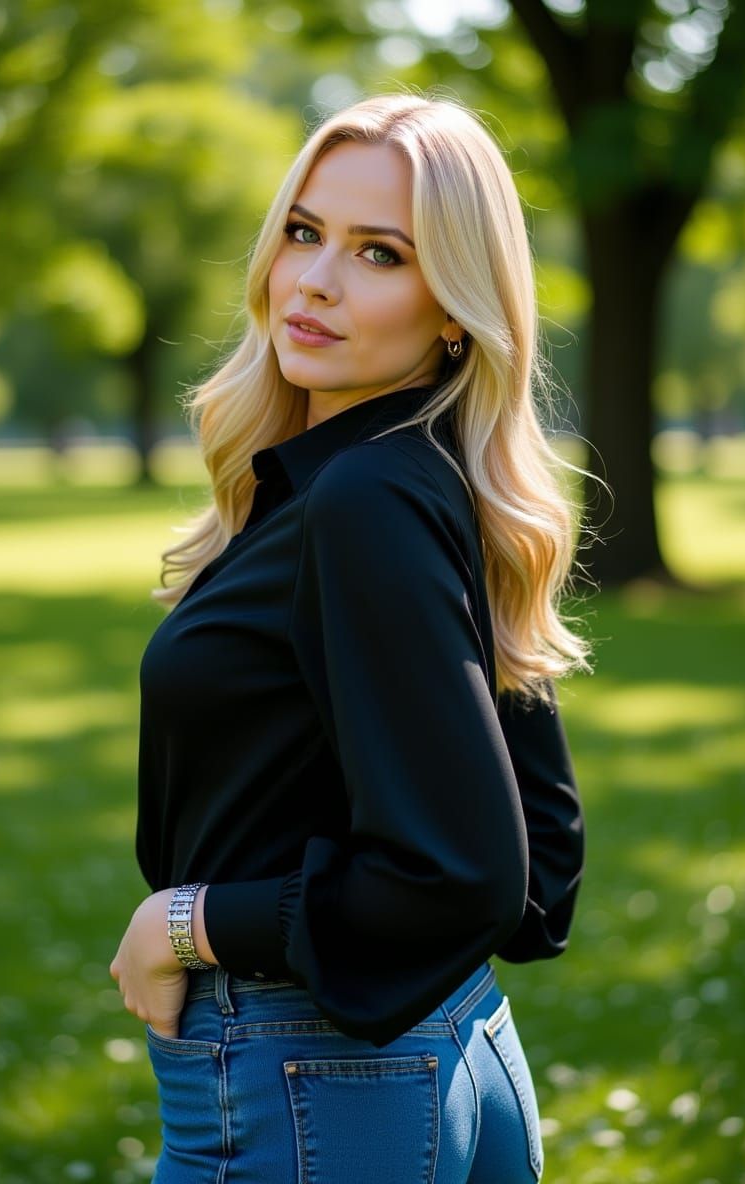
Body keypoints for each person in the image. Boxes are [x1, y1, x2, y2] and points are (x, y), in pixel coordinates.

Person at [110, 93, 589, 1184]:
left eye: (380, 253)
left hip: (314, 1072)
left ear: (456, 307)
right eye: (303, 232)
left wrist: (189, 919)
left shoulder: (367, 496)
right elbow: (541, 853)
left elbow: (471, 871)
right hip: (457, 1046)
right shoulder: (413, 478)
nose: (315, 279)